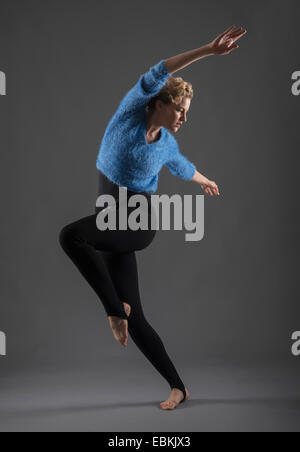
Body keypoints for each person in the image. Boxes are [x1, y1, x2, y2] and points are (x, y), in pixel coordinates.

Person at [59, 25, 247, 411]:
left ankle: (114, 311)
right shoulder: (132, 109)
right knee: (138, 319)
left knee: (71, 237)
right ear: (159, 101)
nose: (182, 117)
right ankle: (179, 387)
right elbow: (160, 69)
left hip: (138, 222)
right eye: (179, 108)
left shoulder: (167, 144)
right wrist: (209, 51)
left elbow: (182, 167)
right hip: (110, 215)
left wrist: (205, 179)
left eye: (186, 113)